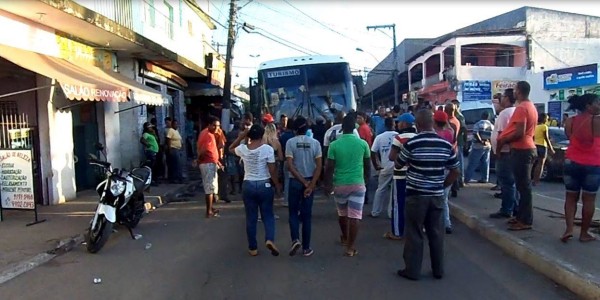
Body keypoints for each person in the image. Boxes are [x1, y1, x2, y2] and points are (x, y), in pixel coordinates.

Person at [396, 109, 460, 281]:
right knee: (436, 233)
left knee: (414, 233)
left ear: (417, 125)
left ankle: (412, 271)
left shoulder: (412, 143)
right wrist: (443, 184)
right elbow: (455, 170)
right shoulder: (445, 144)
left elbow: (398, 163)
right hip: (436, 196)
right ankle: (438, 270)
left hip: (416, 195)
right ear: (432, 124)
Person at [229, 124, 282, 256]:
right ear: (262, 135)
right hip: (264, 185)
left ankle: (253, 248)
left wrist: (242, 136)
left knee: (251, 217)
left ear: (250, 136)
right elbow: (272, 170)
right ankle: (269, 239)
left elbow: (230, 148)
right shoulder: (267, 150)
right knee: (268, 215)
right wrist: (277, 185)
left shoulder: (243, 149)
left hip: (248, 185)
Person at [324, 114, 370, 257]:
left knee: (342, 214)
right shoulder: (363, 144)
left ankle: (345, 237)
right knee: (355, 216)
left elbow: (329, 167)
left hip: (340, 184)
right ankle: (350, 247)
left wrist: (327, 185)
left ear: (342, 129)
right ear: (354, 128)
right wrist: (366, 181)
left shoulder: (334, 145)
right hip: (358, 183)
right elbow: (367, 165)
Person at [497, 81, 538, 231]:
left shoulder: (522, 108)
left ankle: (526, 220)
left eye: (515, 90)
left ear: (519, 91)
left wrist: (504, 139)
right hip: (525, 149)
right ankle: (521, 216)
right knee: (522, 187)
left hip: (522, 150)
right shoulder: (530, 106)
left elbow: (520, 132)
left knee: (524, 187)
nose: (513, 93)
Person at [561, 94, 600, 243]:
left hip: (571, 162)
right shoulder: (597, 121)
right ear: (588, 106)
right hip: (593, 163)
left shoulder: (570, 121)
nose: (599, 105)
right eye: (597, 103)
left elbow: (570, 139)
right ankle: (584, 233)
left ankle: (569, 229)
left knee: (570, 197)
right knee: (589, 199)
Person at [285, 116, 322, 257]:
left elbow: (290, 165)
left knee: (293, 213)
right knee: (306, 216)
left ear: (294, 129)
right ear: (307, 128)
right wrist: (310, 184)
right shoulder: (315, 143)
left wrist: (302, 181)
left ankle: (295, 239)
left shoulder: (290, 142)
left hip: (295, 182)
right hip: (309, 182)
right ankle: (306, 248)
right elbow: (319, 166)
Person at [385, 113, 417, 240]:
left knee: (398, 204)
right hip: (414, 175)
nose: (397, 124)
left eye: (399, 122)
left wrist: (403, 160)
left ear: (404, 123)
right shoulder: (417, 136)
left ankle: (397, 232)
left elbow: (392, 157)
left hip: (400, 175)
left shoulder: (399, 137)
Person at [489, 89, 518, 219]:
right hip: (511, 152)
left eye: (503, 96)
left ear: (507, 98)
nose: (501, 99)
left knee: (507, 183)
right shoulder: (516, 111)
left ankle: (506, 209)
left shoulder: (505, 113)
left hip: (504, 152)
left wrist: (498, 151)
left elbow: (501, 135)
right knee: (512, 183)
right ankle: (514, 207)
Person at [370, 117, 398, 218]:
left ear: (385, 125)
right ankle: (391, 213)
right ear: (394, 124)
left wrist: (376, 165)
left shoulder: (380, 137)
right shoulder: (399, 136)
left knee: (380, 189)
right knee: (394, 192)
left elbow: (373, 152)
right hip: (397, 168)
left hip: (385, 167)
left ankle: (375, 211)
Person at [433, 110, 455, 234]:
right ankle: (447, 223)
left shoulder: (434, 134)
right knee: (444, 198)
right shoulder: (450, 132)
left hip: (437, 168)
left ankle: (438, 224)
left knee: (435, 199)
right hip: (448, 166)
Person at [197, 116, 223, 218]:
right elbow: (204, 150)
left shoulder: (208, 133)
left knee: (211, 187)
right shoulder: (208, 135)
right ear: (209, 125)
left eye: (218, 126)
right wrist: (198, 160)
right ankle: (209, 211)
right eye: (214, 126)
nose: (216, 128)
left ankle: (211, 208)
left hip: (210, 162)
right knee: (209, 188)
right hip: (207, 163)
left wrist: (217, 162)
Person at [464, 111, 494, 184]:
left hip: (478, 146)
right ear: (488, 117)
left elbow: (475, 133)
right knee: (485, 163)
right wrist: (489, 142)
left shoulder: (478, 124)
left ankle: (467, 179)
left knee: (472, 163)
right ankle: (485, 178)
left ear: (482, 116)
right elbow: (492, 135)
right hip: (487, 146)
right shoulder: (491, 125)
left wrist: (481, 141)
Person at [532, 113, 555, 186]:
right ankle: (536, 180)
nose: (548, 120)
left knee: (533, 163)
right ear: (544, 119)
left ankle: (531, 178)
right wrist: (551, 148)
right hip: (542, 146)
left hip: (535, 145)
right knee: (540, 164)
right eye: (547, 119)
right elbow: (546, 138)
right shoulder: (544, 127)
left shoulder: (535, 126)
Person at [445, 103, 462, 198]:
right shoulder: (456, 120)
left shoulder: (451, 123)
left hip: (450, 149)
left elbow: (453, 138)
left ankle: (453, 188)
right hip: (454, 148)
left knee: (451, 169)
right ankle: (455, 188)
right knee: (453, 168)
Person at [279, 119, 296, 207]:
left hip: (286, 159)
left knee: (287, 180)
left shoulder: (283, 136)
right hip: (295, 160)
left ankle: (286, 200)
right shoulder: (294, 136)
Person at [225, 121, 242, 195]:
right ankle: (240, 189)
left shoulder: (229, 134)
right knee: (241, 172)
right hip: (240, 154)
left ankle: (234, 189)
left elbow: (226, 145)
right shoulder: (241, 134)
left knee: (232, 173)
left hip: (231, 154)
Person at [165, 119, 183, 184]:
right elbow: (168, 139)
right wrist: (169, 149)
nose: (176, 125)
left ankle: (178, 177)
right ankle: (175, 178)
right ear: (172, 124)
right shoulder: (171, 130)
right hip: (173, 149)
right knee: (175, 165)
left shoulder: (176, 131)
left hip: (178, 149)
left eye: (177, 124)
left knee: (178, 164)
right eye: (175, 124)